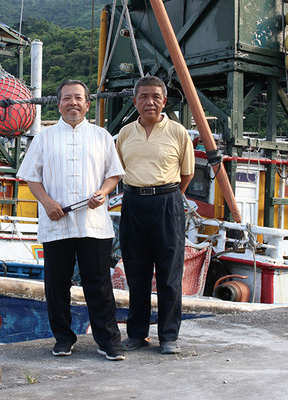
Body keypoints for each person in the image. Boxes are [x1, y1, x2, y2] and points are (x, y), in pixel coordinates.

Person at [17, 79, 126, 361]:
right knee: (57, 285)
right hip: (57, 223)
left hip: (93, 223)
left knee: (99, 285)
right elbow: (31, 176)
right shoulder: (44, 137)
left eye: (78, 98)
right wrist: (47, 203)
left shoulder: (102, 136)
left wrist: (102, 193)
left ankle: (108, 341)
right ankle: (63, 338)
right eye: (67, 98)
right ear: (59, 104)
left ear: (87, 104)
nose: (72, 103)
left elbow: (113, 174)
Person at [116, 75, 195, 355]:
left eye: (156, 97)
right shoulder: (125, 133)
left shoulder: (178, 132)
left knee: (169, 273)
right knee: (136, 272)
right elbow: (119, 169)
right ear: (135, 100)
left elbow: (187, 174)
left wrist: (167, 195)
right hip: (134, 202)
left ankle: (169, 336)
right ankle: (137, 334)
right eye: (144, 97)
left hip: (167, 203)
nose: (150, 102)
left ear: (164, 101)